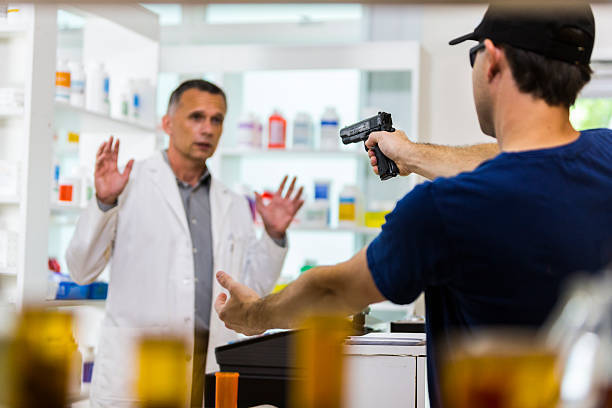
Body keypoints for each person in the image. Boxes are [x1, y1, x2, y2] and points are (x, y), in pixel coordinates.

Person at [214, 5, 612, 407]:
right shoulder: (607, 153)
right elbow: (528, 161)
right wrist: (411, 153)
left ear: (492, 60)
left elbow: (332, 291)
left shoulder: (442, 211)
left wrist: (253, 314)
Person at [66, 79, 304, 407]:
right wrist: (104, 202)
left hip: (204, 375)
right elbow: (80, 270)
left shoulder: (232, 204)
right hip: (137, 377)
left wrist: (273, 236)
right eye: (196, 117)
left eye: (216, 119)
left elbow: (250, 291)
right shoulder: (128, 186)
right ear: (167, 123)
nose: (207, 128)